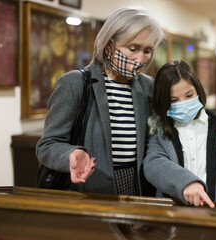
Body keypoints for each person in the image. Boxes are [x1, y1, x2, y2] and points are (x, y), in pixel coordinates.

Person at [36, 6, 165, 196]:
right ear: (109, 44)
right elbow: (48, 145)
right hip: (90, 190)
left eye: (147, 51)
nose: (140, 59)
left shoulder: (148, 86)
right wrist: (71, 155)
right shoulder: (75, 83)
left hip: (139, 188)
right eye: (133, 48)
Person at [143, 60, 216, 208]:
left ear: (198, 91)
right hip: (172, 214)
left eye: (189, 95)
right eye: (173, 100)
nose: (182, 103)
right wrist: (186, 182)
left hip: (214, 212)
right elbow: (153, 164)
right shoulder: (160, 131)